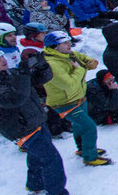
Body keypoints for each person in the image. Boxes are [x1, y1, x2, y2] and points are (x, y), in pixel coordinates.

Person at [0, 46, 77, 195]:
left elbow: (42, 79)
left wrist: (42, 66)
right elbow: (13, 100)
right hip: (21, 128)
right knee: (51, 158)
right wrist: (24, 75)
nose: (3, 61)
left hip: (36, 120)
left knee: (36, 155)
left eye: (2, 57)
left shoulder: (10, 74)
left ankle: (35, 184)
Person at [42, 31, 111, 166]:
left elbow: (87, 60)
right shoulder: (52, 64)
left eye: (69, 41)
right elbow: (69, 84)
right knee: (89, 126)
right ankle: (90, 157)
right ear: (55, 46)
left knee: (79, 126)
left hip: (79, 97)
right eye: (65, 42)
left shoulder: (68, 54)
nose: (69, 44)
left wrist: (91, 62)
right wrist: (80, 69)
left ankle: (82, 149)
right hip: (65, 103)